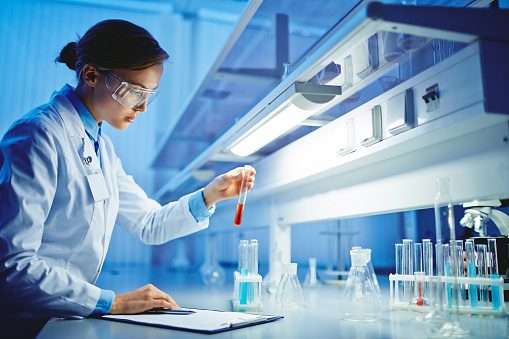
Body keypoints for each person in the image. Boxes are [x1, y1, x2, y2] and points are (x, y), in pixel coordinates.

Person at [0, 19, 255, 320]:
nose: (143, 107)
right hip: (25, 321)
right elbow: (13, 267)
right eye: (135, 92)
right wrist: (113, 303)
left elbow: (148, 224)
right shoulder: (38, 135)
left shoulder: (101, 147)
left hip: (61, 315)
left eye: (149, 95)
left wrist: (209, 196)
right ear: (92, 75)